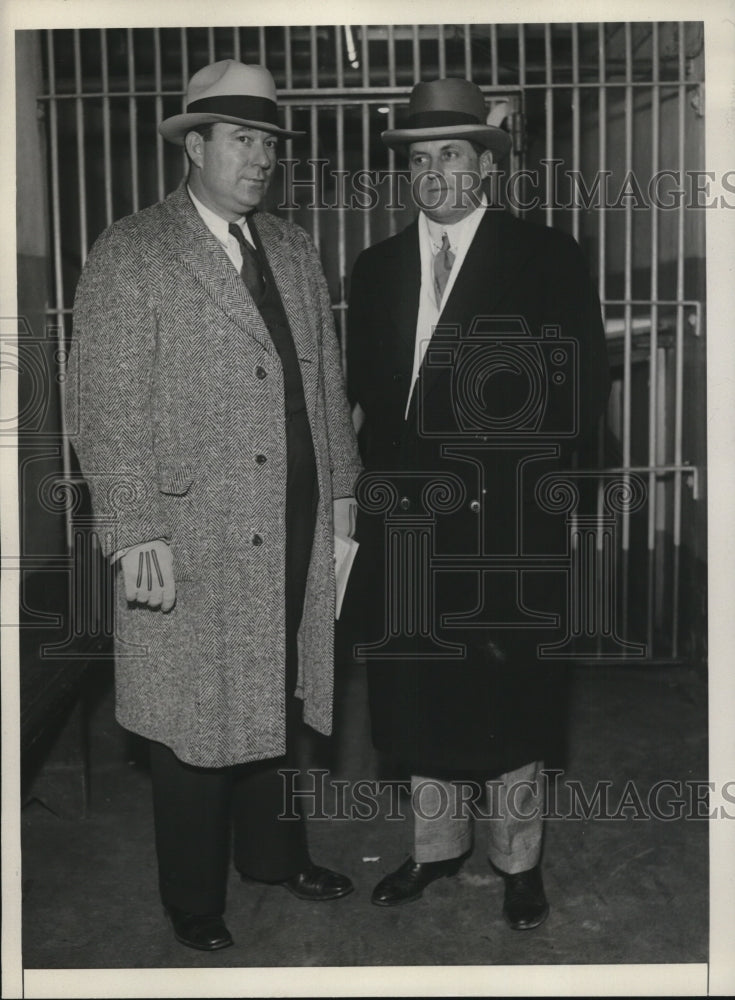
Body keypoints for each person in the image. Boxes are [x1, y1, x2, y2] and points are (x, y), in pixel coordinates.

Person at [67, 60, 362, 951]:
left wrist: (344, 495)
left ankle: (275, 860)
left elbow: (325, 380)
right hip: (189, 532)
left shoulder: (294, 247)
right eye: (241, 139)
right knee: (195, 722)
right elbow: (100, 403)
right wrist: (130, 528)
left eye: (269, 141)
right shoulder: (135, 248)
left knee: (276, 704)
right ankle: (193, 898)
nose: (261, 157)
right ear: (194, 146)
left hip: (297, 522)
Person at [347, 77, 610, 928]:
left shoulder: (546, 256)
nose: (433, 173)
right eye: (418, 158)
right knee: (419, 695)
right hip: (410, 524)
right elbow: (365, 400)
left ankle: (517, 861)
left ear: (484, 166)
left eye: (450, 154)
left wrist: (562, 501)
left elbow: (581, 389)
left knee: (510, 700)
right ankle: (434, 850)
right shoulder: (375, 268)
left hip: (506, 520)